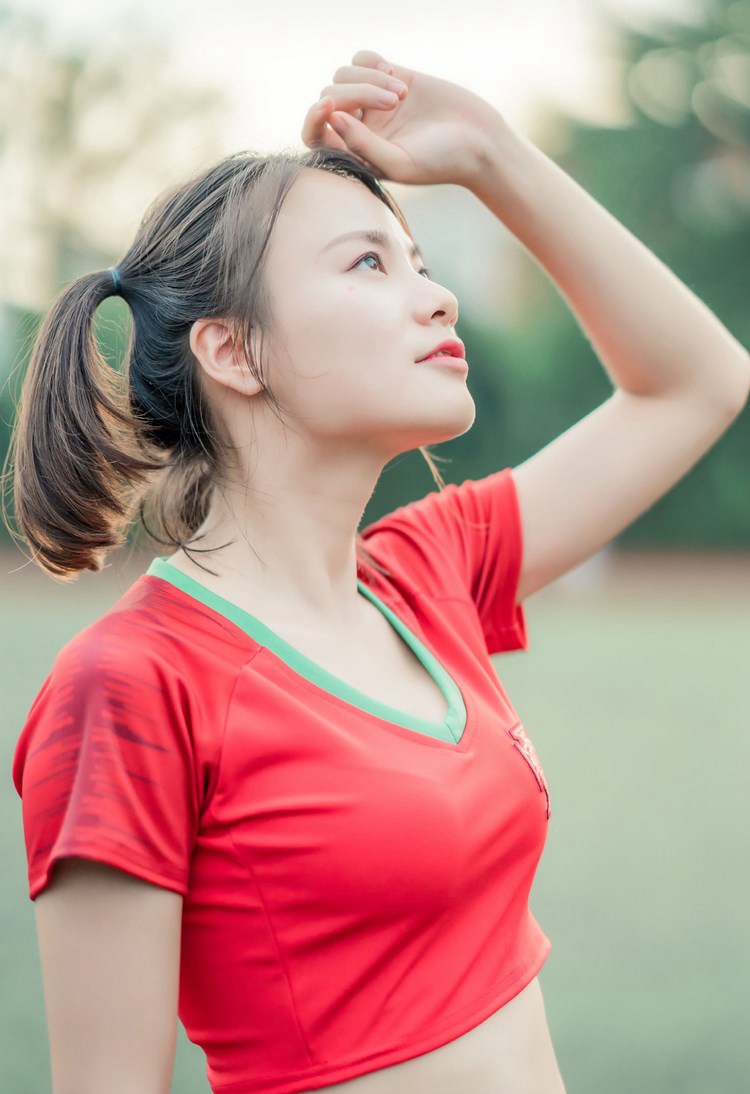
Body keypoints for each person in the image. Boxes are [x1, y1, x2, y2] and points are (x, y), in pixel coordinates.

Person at [9, 47, 749, 1094]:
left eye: (421, 261)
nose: (438, 298)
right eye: (369, 263)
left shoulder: (426, 572)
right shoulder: (131, 684)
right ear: (234, 351)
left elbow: (700, 380)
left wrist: (492, 152)